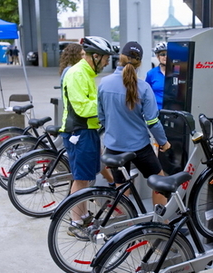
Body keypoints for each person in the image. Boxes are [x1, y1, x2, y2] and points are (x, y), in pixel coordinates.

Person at [98, 41, 171, 207]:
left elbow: (101, 117)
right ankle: (162, 223)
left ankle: (126, 226)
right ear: (140, 62)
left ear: (120, 58)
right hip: (140, 147)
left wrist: (114, 129)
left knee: (121, 188)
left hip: (114, 145)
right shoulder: (144, 87)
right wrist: (163, 142)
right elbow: (152, 121)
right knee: (159, 182)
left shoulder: (104, 83)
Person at [59, 36, 114, 233]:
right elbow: (82, 108)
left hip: (86, 131)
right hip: (78, 132)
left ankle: (82, 216)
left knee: (84, 178)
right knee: (80, 179)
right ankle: (75, 222)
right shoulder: (76, 74)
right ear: (96, 56)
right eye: (106, 58)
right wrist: (106, 105)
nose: (108, 62)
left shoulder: (86, 74)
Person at [145, 42, 167, 110]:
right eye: (163, 54)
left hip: (173, 111)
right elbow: (146, 94)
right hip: (157, 111)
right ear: (158, 56)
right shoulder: (151, 74)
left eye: (168, 54)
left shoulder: (177, 73)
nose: (166, 56)